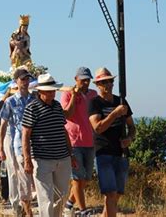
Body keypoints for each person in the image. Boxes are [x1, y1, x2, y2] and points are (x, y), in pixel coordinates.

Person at [22, 73, 76, 217]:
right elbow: (25, 135)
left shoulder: (57, 106)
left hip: (62, 158)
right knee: (45, 198)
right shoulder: (32, 108)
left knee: (62, 195)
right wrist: (27, 160)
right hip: (42, 159)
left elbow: (63, 130)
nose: (52, 93)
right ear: (40, 92)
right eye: (49, 91)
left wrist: (71, 154)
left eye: (53, 90)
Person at [88, 68, 136, 217]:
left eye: (110, 81)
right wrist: (115, 113)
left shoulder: (120, 101)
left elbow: (132, 127)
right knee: (110, 193)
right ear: (98, 85)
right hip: (104, 152)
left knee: (117, 194)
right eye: (104, 82)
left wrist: (130, 138)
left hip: (120, 152)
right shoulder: (94, 103)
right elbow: (98, 127)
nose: (108, 84)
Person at [0, 68, 35, 216]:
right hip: (15, 142)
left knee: (29, 175)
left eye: (27, 79)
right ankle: (17, 205)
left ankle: (25, 203)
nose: (25, 82)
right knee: (14, 174)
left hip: (33, 143)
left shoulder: (34, 99)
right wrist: (0, 148)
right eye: (22, 79)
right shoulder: (10, 102)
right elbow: (3, 125)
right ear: (16, 82)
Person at [61, 67, 98, 216]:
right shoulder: (66, 94)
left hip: (90, 142)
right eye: (83, 80)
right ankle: (83, 211)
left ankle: (69, 204)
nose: (86, 83)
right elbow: (67, 115)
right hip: (74, 142)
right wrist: (73, 97)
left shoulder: (93, 95)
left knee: (85, 180)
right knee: (77, 179)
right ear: (76, 79)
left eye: (88, 80)